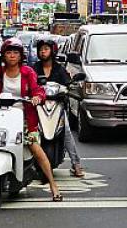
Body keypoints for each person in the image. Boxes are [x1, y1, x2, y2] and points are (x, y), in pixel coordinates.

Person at [0, 38, 63, 201]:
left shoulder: (28, 72)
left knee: (35, 147)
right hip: (0, 116)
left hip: (24, 119)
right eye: (9, 52)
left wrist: (37, 97)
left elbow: (38, 90)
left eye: (16, 52)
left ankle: (53, 185)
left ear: (21, 55)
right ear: (3, 55)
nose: (12, 56)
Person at [31, 37, 84, 177]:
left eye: (46, 49)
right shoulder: (34, 68)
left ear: (52, 51)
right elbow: (28, 84)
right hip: (38, 107)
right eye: (41, 49)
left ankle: (76, 163)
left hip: (56, 106)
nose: (43, 52)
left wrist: (68, 90)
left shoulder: (59, 69)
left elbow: (68, 83)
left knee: (66, 130)